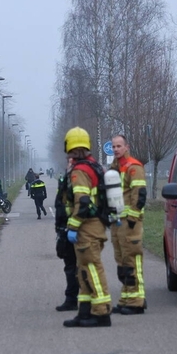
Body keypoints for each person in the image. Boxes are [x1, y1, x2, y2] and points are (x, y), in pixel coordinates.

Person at [61, 127, 112, 327]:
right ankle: (84, 312)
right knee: (83, 271)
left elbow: (81, 202)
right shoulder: (94, 166)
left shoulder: (80, 170)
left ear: (69, 145)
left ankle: (101, 313)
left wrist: (73, 226)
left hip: (87, 228)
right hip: (94, 226)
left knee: (91, 270)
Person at [109, 134, 148, 315]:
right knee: (122, 262)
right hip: (117, 223)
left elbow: (139, 195)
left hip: (129, 223)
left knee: (132, 260)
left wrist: (132, 219)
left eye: (119, 146)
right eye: (113, 146)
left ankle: (136, 301)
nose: (116, 149)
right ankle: (126, 297)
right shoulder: (113, 168)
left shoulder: (134, 167)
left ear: (127, 147)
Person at [53, 156, 80, 312]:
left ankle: (79, 299)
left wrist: (74, 225)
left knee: (78, 266)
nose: (70, 164)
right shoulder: (65, 179)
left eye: (73, 161)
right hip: (64, 227)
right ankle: (72, 298)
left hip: (76, 227)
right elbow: (60, 203)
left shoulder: (79, 179)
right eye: (69, 161)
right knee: (69, 265)